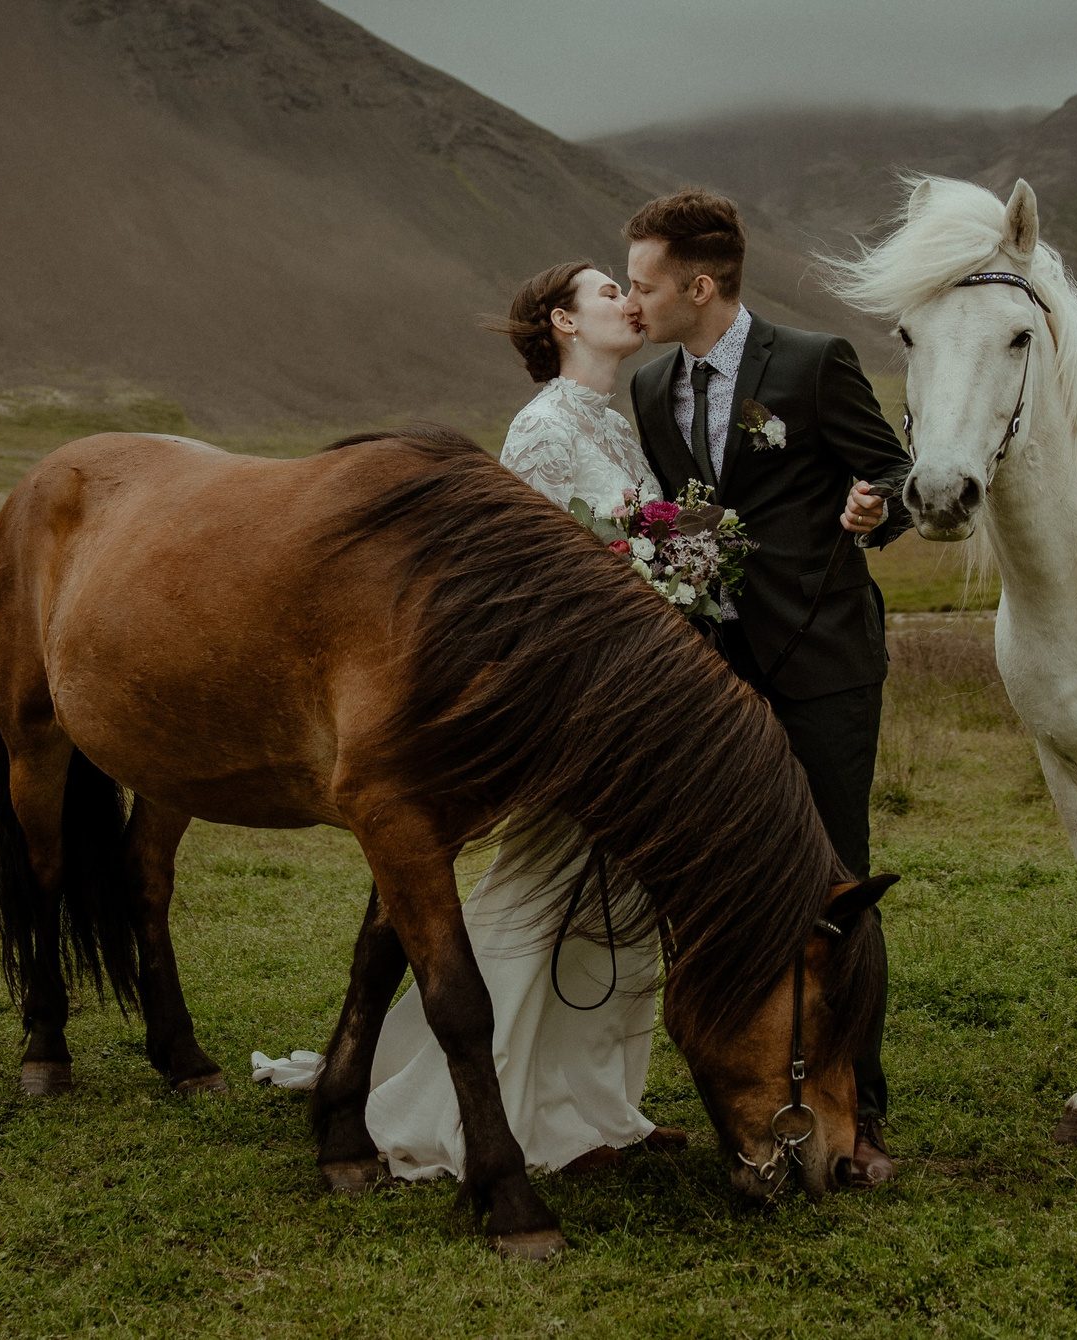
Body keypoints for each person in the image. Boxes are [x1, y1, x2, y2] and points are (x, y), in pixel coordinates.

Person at [362, 260, 683, 1181]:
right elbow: (521, 577)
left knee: (619, 900)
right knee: (543, 888)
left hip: (639, 687)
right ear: (563, 322)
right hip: (578, 694)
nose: (629, 298)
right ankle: (486, 1101)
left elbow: (643, 536)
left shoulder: (613, 423)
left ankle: (599, 1108)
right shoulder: (540, 430)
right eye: (607, 290)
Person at [620, 188, 912, 1186]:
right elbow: (682, 518)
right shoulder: (652, 388)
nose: (632, 301)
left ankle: (860, 1109)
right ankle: (750, 1085)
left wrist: (879, 505)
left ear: (700, 286)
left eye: (644, 283)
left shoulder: (811, 362)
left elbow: (895, 475)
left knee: (836, 886)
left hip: (826, 664)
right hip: (718, 678)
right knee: (732, 882)